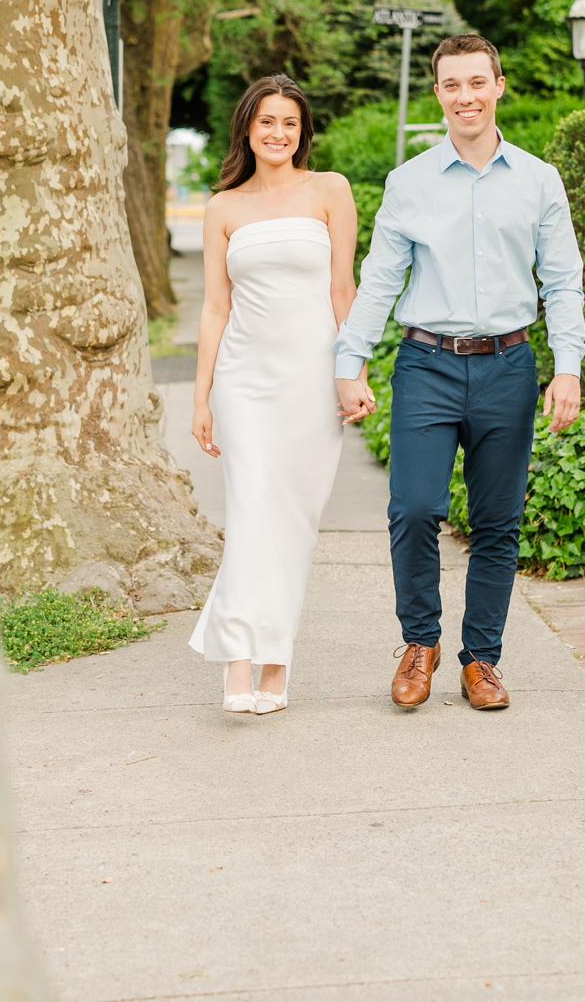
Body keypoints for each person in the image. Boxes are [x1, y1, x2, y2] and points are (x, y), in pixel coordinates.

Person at [333, 34, 585, 712]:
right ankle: (421, 643)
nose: (465, 96)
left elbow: (563, 281)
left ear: (498, 85)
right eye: (452, 84)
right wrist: (349, 363)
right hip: (427, 364)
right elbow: (380, 279)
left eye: (477, 82)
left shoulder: (538, 180)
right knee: (414, 508)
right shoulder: (409, 182)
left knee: (498, 521)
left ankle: (482, 660)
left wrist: (567, 368)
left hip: (508, 364)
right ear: (438, 92)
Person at [188, 74, 372, 715]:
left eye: (289, 122)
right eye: (267, 120)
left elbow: (344, 291)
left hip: (311, 383)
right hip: (244, 381)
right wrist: (202, 396)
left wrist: (354, 374)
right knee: (250, 514)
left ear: (303, 132)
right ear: (247, 127)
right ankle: (239, 663)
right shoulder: (223, 207)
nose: (278, 132)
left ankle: (277, 663)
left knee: (293, 523)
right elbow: (215, 307)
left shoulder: (330, 191)